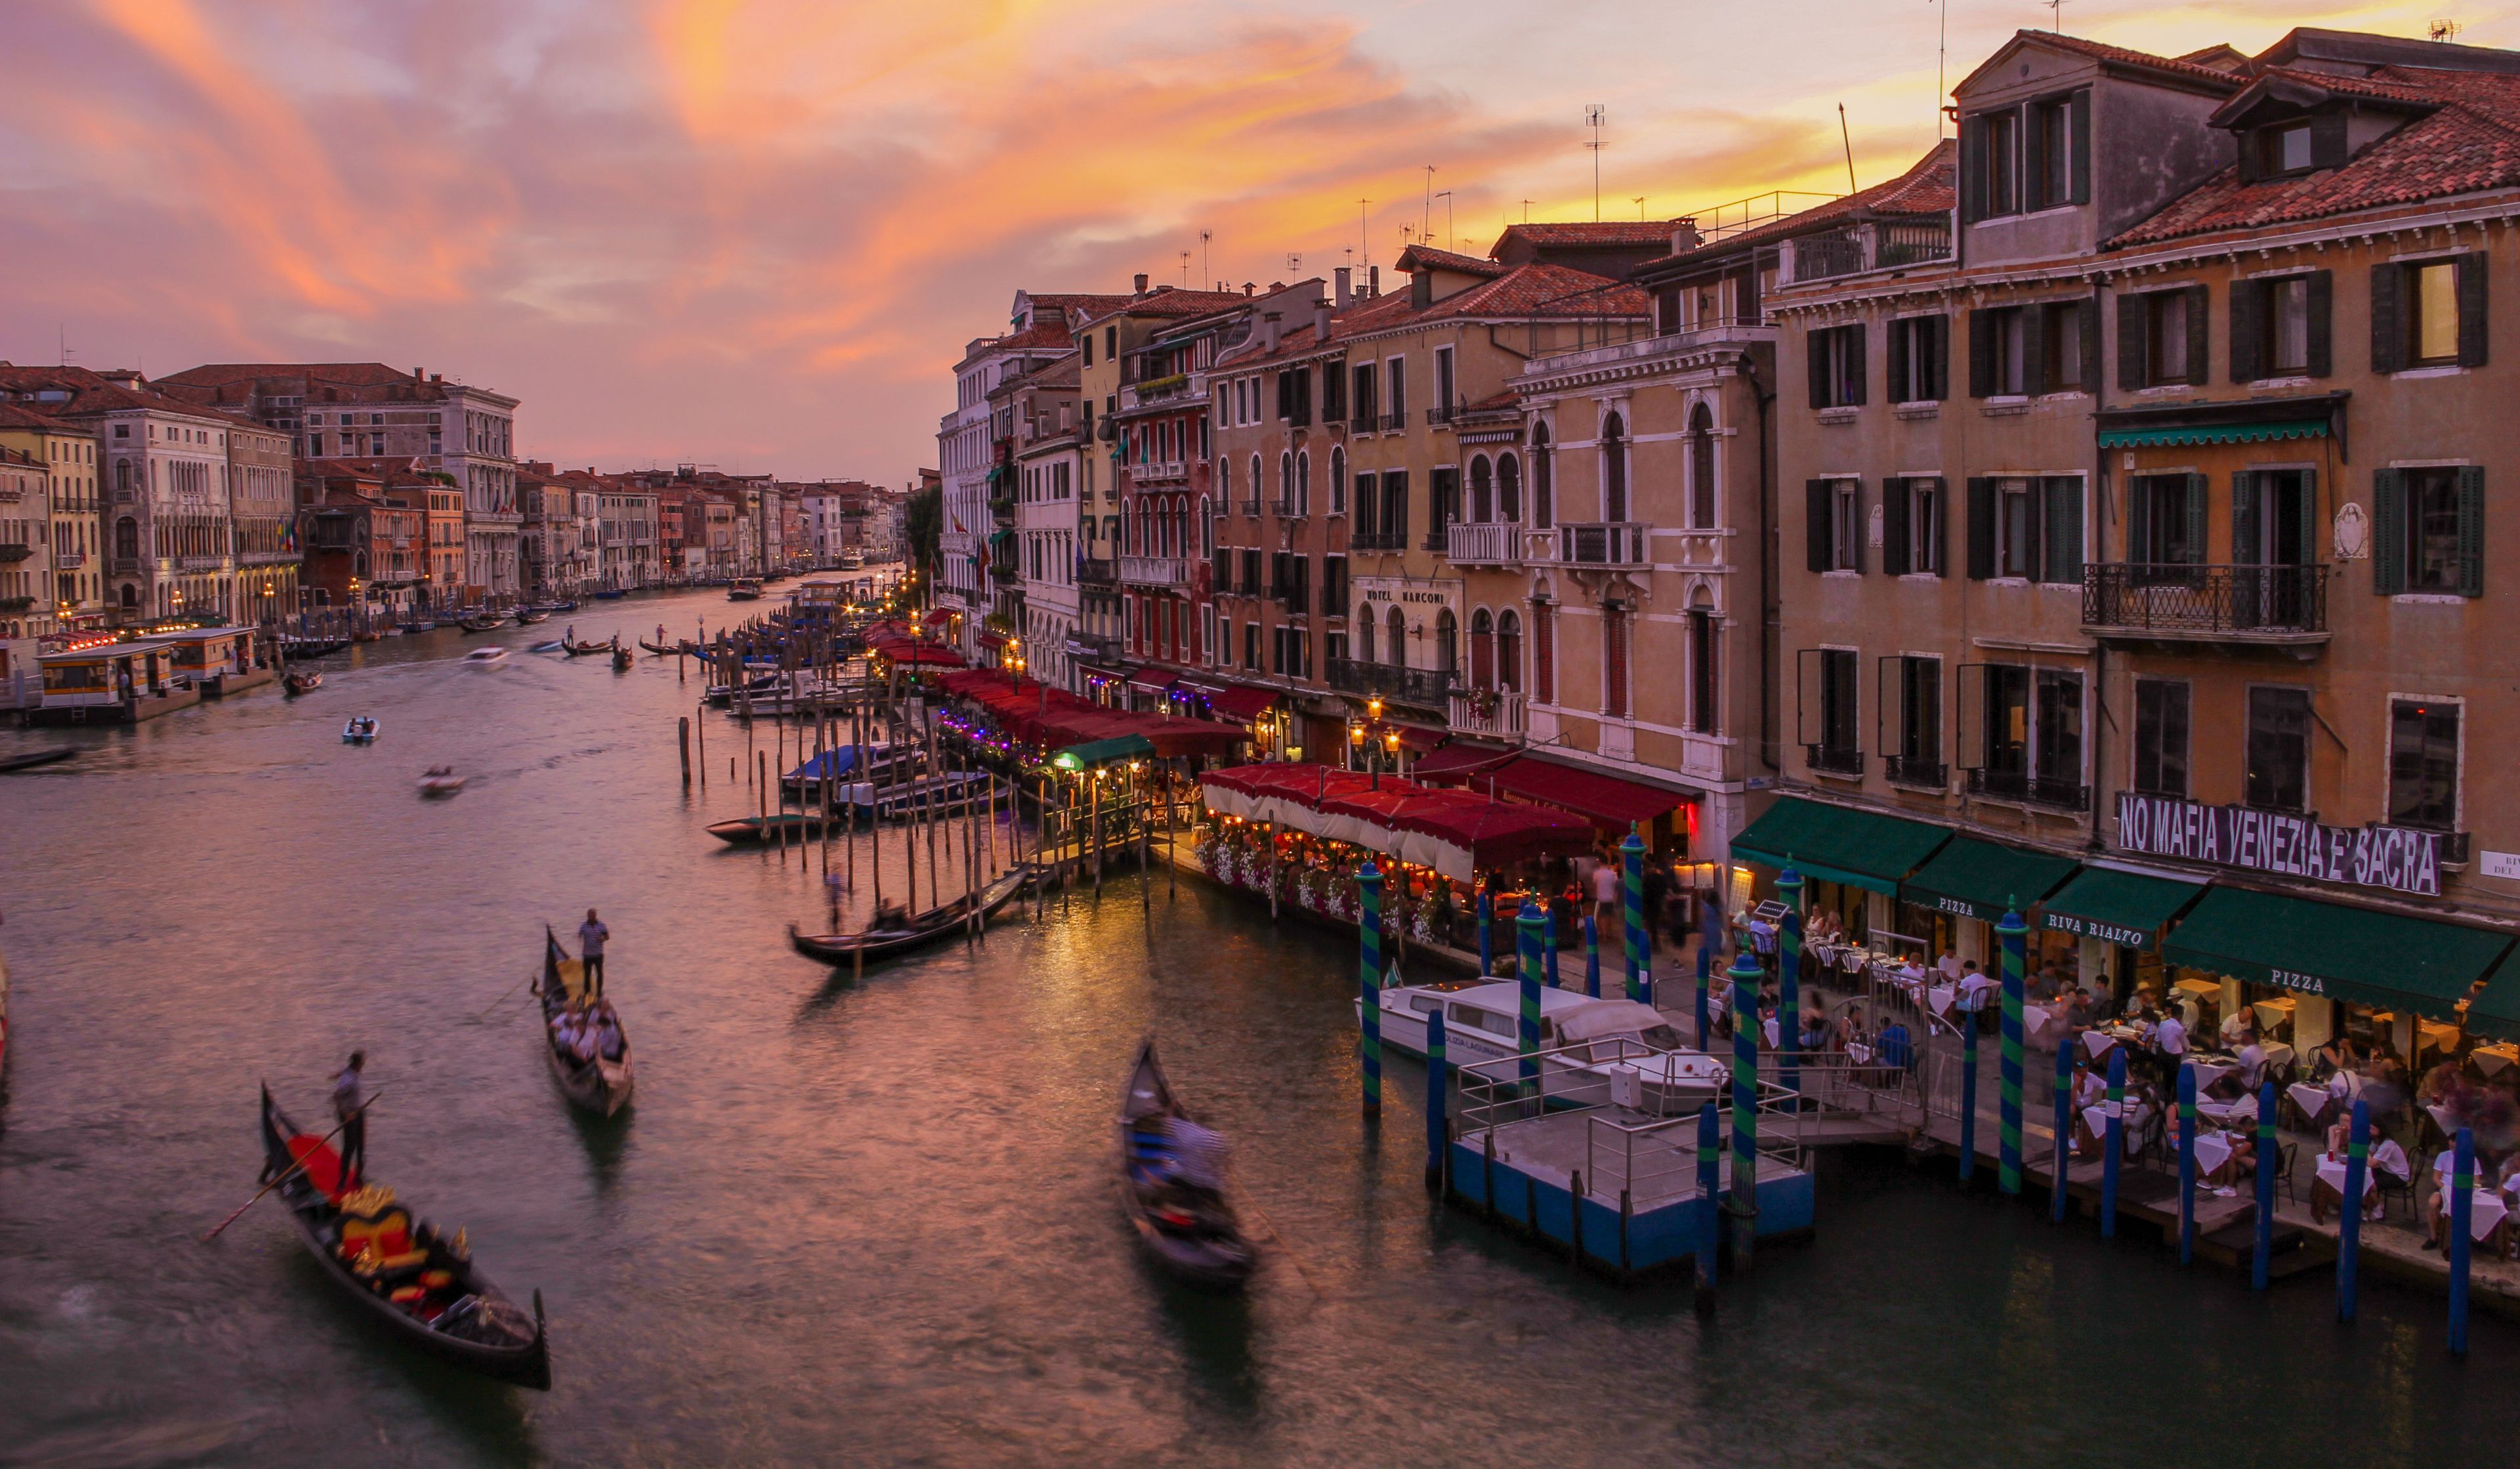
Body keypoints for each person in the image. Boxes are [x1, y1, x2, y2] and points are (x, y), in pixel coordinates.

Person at [333, 1052, 369, 1192]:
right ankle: (343, 1180)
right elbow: (336, 1097)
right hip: (349, 1115)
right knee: (349, 1147)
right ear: (358, 1064)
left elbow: (346, 1071)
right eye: (362, 1063)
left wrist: (338, 1074)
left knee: (361, 1147)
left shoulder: (352, 1072)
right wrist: (346, 1114)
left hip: (359, 1112)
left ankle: (358, 1177)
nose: (364, 1065)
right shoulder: (348, 1081)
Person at [578, 908, 610, 998]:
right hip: (587, 955)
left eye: (593, 915)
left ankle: (599, 992)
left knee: (599, 973)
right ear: (587, 916)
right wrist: (579, 938)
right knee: (587, 974)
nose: (591, 917)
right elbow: (579, 936)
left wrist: (602, 939)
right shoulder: (583, 926)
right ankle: (587, 993)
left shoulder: (601, 925)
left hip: (598, 955)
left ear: (595, 916)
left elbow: (607, 936)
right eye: (590, 915)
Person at [1590, 853, 1620, 926]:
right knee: (1610, 916)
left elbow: (1594, 886)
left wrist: (1595, 895)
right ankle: (1609, 933)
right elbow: (1617, 886)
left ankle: (1604, 935)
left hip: (1601, 899)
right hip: (1611, 899)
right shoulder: (1612, 873)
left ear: (1600, 862)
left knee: (1602, 917)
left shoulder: (1596, 874)